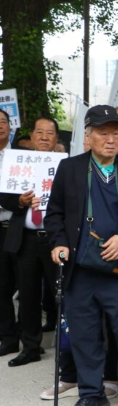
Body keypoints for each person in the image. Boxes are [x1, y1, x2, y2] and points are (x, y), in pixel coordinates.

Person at [44, 105, 118, 406]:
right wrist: (59, 243)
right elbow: (54, 215)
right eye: (103, 133)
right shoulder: (70, 169)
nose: (110, 139)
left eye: (115, 133)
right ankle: (92, 394)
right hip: (80, 267)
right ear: (89, 136)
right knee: (84, 332)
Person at [0, 117, 60, 367]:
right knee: (28, 294)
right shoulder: (16, 161)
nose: (44, 137)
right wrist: (20, 202)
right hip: (26, 238)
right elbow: (4, 195)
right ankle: (31, 346)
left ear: (57, 138)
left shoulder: (66, 164)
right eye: (40, 132)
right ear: (32, 136)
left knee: (63, 292)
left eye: (50, 133)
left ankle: (68, 345)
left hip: (57, 239)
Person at [0, 108, 18, 358]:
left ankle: (27, 335)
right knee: (1, 285)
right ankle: (8, 336)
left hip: (16, 227)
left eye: (3, 122)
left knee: (25, 284)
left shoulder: (21, 157)